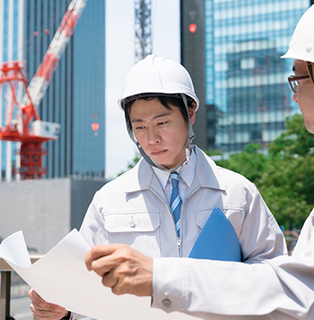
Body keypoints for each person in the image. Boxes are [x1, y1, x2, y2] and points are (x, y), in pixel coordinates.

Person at [29, 54, 286, 319]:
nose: (151, 139)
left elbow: (274, 276)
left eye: (162, 123)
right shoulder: (109, 200)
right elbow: (83, 288)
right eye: (139, 126)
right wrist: (62, 310)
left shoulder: (237, 193)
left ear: (190, 113)